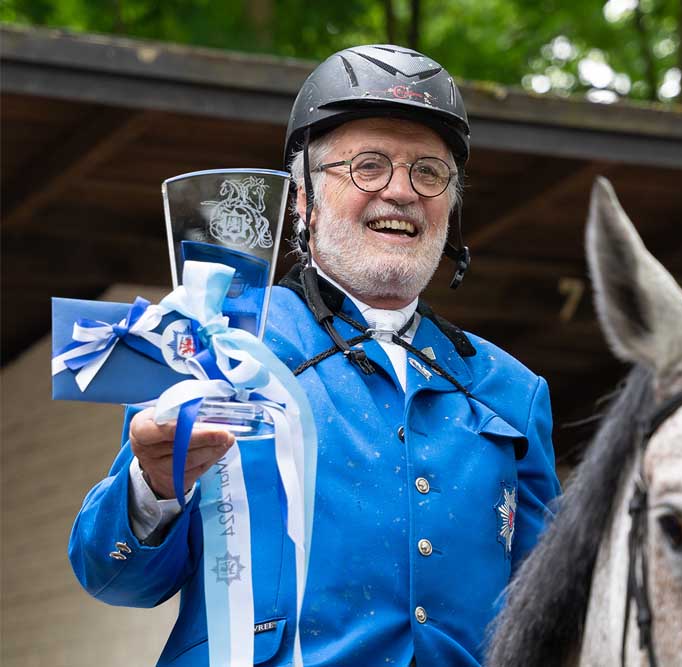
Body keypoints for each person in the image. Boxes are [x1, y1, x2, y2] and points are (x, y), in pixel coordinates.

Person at [68, 44, 560, 667]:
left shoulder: (514, 390)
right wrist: (152, 488)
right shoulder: (215, 340)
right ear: (302, 200)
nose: (402, 192)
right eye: (368, 167)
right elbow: (112, 578)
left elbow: (554, 612)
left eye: (428, 172)